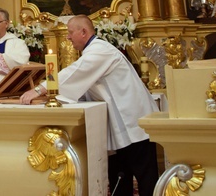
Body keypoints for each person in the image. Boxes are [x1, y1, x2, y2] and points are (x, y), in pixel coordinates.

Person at [20, 16, 159, 196]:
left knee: (145, 177)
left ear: (83, 32)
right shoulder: (93, 51)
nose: (68, 37)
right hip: (121, 123)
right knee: (120, 174)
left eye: (71, 33)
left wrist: (40, 89)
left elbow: (75, 73)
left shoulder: (100, 51)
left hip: (133, 122)